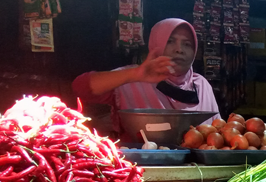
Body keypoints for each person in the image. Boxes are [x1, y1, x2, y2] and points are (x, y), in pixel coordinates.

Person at [72, 18, 221, 141]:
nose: (179, 49)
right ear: (156, 44)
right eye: (170, 41)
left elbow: (218, 131)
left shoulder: (201, 85)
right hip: (142, 169)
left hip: (198, 172)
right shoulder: (132, 78)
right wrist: (135, 74)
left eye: (187, 44)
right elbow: (80, 87)